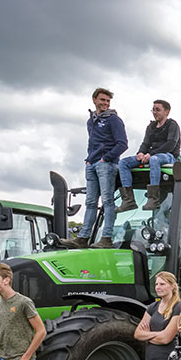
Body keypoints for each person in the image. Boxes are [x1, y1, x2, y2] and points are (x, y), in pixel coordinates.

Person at [63, 87, 128, 249]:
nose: (105, 103)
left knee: (107, 201)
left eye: (108, 101)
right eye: (102, 100)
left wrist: (105, 158)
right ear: (94, 100)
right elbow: (92, 142)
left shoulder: (114, 120)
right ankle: (83, 237)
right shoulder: (91, 121)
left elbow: (123, 144)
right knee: (90, 202)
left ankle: (106, 237)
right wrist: (89, 159)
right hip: (92, 163)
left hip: (106, 164)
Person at [117, 99, 181, 212]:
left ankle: (153, 199)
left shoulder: (172, 125)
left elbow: (171, 144)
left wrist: (150, 154)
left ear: (167, 112)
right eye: (153, 110)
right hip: (150, 155)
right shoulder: (151, 127)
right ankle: (128, 200)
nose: (154, 112)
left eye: (158, 110)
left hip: (168, 156)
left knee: (154, 160)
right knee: (123, 163)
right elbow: (145, 143)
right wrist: (140, 153)